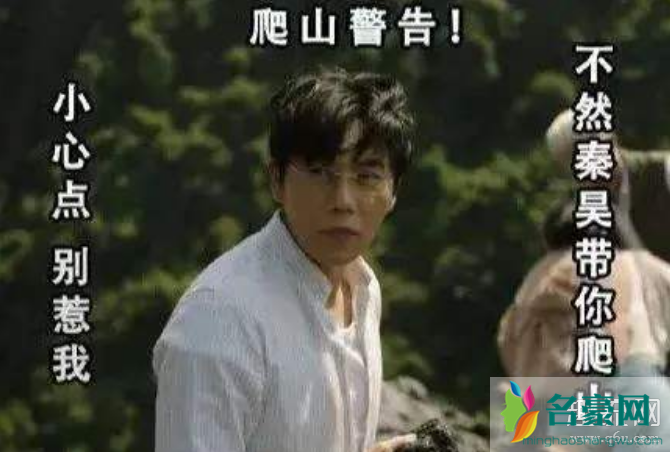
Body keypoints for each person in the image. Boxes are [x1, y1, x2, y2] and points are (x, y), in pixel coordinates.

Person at [152, 67, 419, 452]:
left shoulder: (363, 289)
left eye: (366, 176)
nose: (343, 201)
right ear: (276, 180)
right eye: (320, 172)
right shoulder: (219, 321)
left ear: (394, 190)